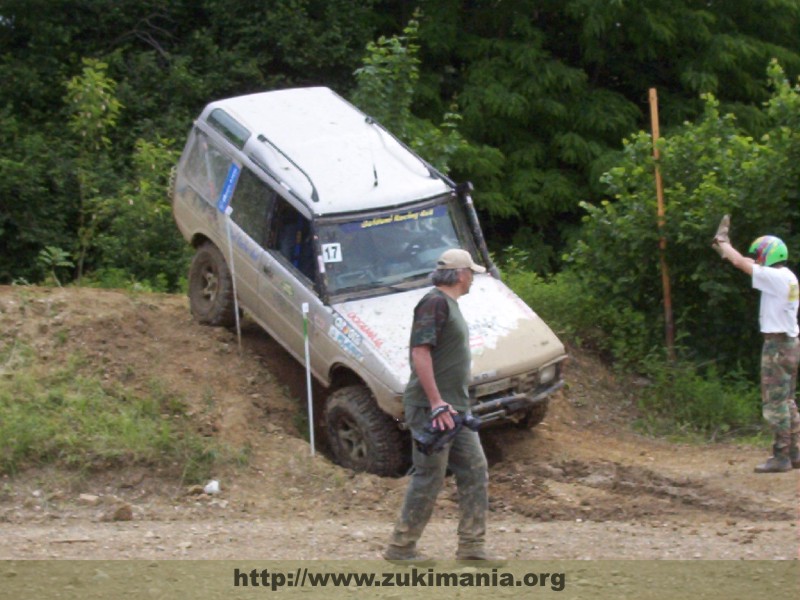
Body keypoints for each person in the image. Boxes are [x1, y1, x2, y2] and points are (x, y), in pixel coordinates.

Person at [383, 248, 504, 564]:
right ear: (461, 274)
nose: (473, 279)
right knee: (429, 476)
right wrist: (436, 402)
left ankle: (471, 547)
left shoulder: (447, 305)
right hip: (433, 409)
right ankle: (401, 548)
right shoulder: (435, 303)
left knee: (475, 470)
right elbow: (420, 352)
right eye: (471, 274)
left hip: (455, 411)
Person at [712, 216, 800, 473]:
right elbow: (746, 263)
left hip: (777, 347)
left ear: (770, 256)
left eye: (761, 255)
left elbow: (742, 262)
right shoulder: (786, 276)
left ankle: (780, 456)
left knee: (775, 403)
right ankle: (794, 453)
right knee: (788, 401)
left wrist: (722, 241)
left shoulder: (775, 278)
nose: (758, 260)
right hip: (791, 344)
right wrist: (726, 252)